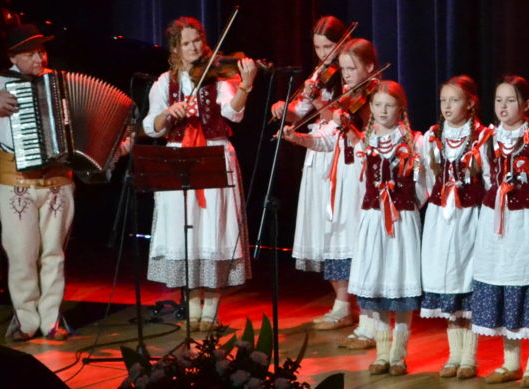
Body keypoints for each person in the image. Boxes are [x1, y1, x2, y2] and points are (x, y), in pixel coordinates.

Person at [0, 24, 89, 342]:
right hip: (16, 181)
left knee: (54, 254)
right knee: (21, 255)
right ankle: (26, 319)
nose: (39, 59)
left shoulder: (61, 83)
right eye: (30, 54)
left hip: (57, 179)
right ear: (13, 57)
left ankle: (51, 320)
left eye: (42, 52)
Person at [142, 17, 256, 333]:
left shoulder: (218, 76)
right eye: (186, 43)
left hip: (214, 153)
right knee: (185, 233)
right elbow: (151, 126)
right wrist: (168, 114)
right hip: (179, 157)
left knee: (214, 230)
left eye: (197, 41)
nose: (193, 47)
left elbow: (233, 113)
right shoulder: (165, 82)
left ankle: (212, 310)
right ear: (176, 48)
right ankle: (192, 308)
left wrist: (245, 85)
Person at [276, 31, 378, 331]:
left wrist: (343, 123)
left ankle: (370, 317)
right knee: (336, 236)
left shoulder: (376, 97)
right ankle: (344, 306)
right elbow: (327, 138)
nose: (345, 75)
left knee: (358, 242)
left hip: (360, 176)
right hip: (340, 174)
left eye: (351, 69)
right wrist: (298, 137)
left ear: (369, 68)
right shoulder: (347, 98)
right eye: (343, 69)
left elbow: (373, 143)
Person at [471, 75, 529, 385]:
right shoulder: (489, 138)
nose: (503, 106)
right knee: (501, 282)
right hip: (497, 225)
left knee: (528, 285)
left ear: (526, 105)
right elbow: (488, 177)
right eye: (499, 100)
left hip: (527, 224)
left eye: (510, 100)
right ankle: (510, 362)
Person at [343, 82, 431, 374]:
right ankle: (382, 353)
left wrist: (408, 204)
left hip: (401, 220)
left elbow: (425, 182)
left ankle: (398, 354)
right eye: (378, 105)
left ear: (401, 108)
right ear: (370, 107)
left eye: (389, 105)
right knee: (378, 284)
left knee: (400, 281)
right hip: (373, 220)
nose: (382, 111)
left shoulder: (414, 141)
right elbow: (359, 181)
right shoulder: (365, 141)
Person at [418, 76, 488, 379]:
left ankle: (468, 357)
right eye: (443, 100)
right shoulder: (433, 136)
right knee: (447, 282)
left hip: (469, 216)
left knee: (466, 280)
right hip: (441, 219)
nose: (447, 106)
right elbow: (424, 178)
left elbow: (490, 178)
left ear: (470, 103)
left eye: (454, 100)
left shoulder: (483, 137)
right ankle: (453, 355)